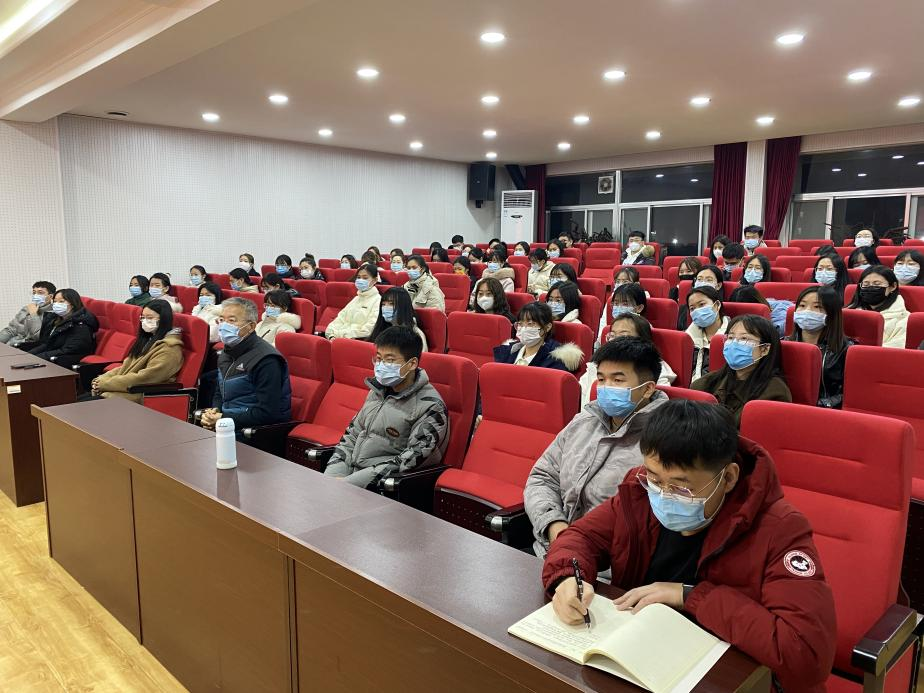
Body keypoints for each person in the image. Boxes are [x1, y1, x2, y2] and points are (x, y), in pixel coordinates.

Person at [543, 400, 836, 692]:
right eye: (655, 478)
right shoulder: (640, 494)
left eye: (681, 487)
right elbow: (580, 538)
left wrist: (690, 596)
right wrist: (568, 577)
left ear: (728, 478)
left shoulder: (780, 529)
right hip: (643, 655)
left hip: (730, 677)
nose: (663, 495)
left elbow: (806, 655)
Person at [526, 337, 669, 557]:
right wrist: (554, 525)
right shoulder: (584, 421)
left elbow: (652, 521)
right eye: (601, 379)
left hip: (608, 566)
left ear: (648, 389)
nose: (605, 387)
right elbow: (542, 477)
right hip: (551, 548)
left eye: (617, 380)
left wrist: (580, 547)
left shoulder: (666, 439)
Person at [325, 327, 448, 487]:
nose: (381, 365)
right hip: (347, 479)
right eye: (378, 359)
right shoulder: (376, 391)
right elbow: (351, 436)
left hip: (382, 487)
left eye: (389, 360)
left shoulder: (431, 406)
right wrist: (333, 475)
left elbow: (410, 460)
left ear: (412, 364)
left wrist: (349, 483)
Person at [199, 297, 291, 435]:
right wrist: (215, 412)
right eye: (222, 320)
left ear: (251, 326)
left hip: (255, 433)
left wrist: (222, 419)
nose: (224, 325)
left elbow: (267, 413)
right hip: (228, 425)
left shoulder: (267, 360)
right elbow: (220, 391)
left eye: (232, 320)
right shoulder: (227, 352)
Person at [691, 315, 792, 424]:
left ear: (764, 349)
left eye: (744, 338)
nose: (734, 344)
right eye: (730, 338)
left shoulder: (775, 392)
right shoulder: (707, 382)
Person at [88, 300, 184, 403]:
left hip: (142, 394)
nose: (145, 321)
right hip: (126, 389)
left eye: (150, 318)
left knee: (86, 405)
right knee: (82, 402)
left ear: (164, 319)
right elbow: (125, 366)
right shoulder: (148, 340)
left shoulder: (169, 349)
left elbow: (145, 378)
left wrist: (105, 384)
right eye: (143, 317)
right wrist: (101, 379)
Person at [582, 315, 676, 404]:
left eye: (623, 336)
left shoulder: (652, 369)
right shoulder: (596, 365)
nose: (615, 340)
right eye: (612, 335)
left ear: (642, 339)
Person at [788, 286, 853, 408]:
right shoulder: (783, 344)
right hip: (786, 407)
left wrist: (817, 406)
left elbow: (851, 394)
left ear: (831, 313)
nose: (807, 311)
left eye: (817, 307)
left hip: (825, 411)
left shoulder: (848, 350)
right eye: (802, 305)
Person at [493, 302, 583, 373]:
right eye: (521, 324)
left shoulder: (555, 361)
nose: (524, 329)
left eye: (530, 324)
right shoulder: (508, 351)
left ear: (547, 327)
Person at [29, 288, 99, 368]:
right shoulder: (56, 319)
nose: (56, 304)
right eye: (55, 301)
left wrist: (39, 358)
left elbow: (69, 350)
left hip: (68, 361)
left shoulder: (81, 324)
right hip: (54, 355)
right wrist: (29, 355)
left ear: (72, 304)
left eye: (61, 301)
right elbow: (47, 344)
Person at [847, 266, 909, 348]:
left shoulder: (905, 320)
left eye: (877, 284)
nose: (870, 288)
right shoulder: (849, 313)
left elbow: (897, 348)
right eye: (866, 284)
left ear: (893, 287)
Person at [326, 263, 383, 339]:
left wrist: (342, 336)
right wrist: (331, 335)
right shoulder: (356, 299)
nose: (360, 280)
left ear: (374, 280)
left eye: (365, 278)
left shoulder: (378, 300)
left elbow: (368, 329)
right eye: (358, 277)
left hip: (355, 340)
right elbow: (340, 319)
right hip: (338, 338)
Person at [685, 286, 728, 382]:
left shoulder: (733, 336)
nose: (697, 311)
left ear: (717, 305)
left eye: (701, 304)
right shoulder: (687, 338)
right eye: (692, 308)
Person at [370, 287, 428, 351]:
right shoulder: (382, 328)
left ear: (403, 307)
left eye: (391, 304)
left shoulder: (416, 334)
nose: (385, 308)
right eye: (383, 304)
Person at [0, 281, 56, 347]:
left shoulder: (53, 313)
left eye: (40, 293)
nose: (36, 296)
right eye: (34, 293)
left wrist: (33, 315)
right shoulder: (27, 309)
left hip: (30, 347)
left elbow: (37, 337)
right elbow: (11, 330)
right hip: (13, 344)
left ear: (50, 296)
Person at [670, 257, 704, 329]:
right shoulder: (673, 291)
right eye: (681, 272)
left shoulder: (702, 292)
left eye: (689, 271)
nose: (684, 274)